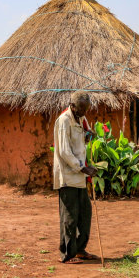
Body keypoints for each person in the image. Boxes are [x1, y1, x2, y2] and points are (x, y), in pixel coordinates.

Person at [53, 91, 98, 264]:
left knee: (84, 214)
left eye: (86, 109)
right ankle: (67, 254)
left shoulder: (81, 119)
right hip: (67, 175)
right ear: (72, 106)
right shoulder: (64, 120)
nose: (84, 112)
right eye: (81, 108)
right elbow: (64, 151)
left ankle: (79, 249)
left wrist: (88, 136)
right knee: (69, 217)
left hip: (79, 176)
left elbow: (79, 144)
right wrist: (83, 168)